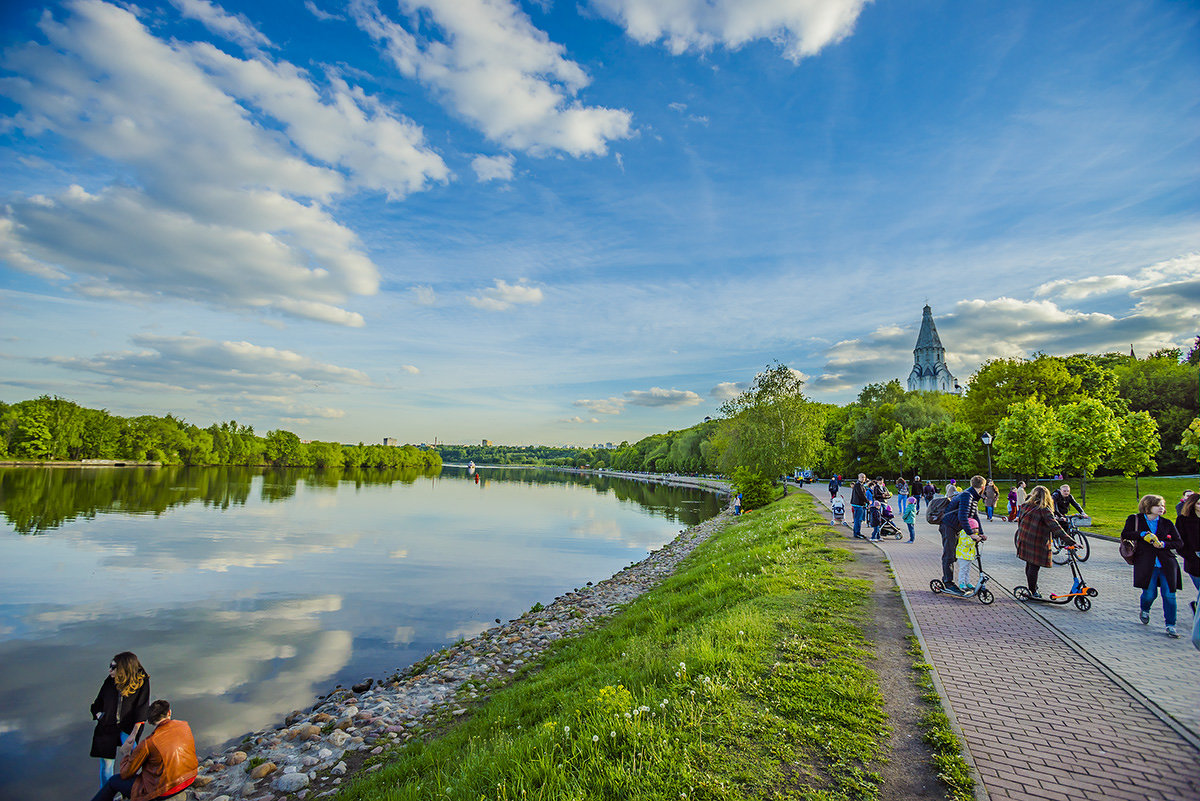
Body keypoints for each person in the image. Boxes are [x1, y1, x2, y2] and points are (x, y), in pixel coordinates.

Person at [90, 699, 198, 801]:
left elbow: (126, 774)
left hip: (166, 790)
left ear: (150, 722)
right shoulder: (184, 725)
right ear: (169, 712)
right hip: (189, 778)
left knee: (113, 781)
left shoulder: (148, 743)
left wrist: (126, 754)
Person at [1121, 494, 1184, 638]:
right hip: (1146, 563)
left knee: (1169, 595)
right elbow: (1125, 534)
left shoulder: (1167, 523)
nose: (1162, 508)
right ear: (1148, 506)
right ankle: (1145, 609)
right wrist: (1141, 534)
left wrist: (1164, 544)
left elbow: (1179, 542)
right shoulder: (1135, 519)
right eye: (1158, 505)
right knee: (1150, 594)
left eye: (1163, 505)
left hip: (1167, 564)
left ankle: (1171, 625)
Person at [91, 652, 150, 788]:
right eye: (110, 666)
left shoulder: (142, 681)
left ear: (124, 668)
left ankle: (132, 790)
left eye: (113, 667)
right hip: (107, 727)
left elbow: (141, 710)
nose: (109, 670)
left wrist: (133, 736)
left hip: (128, 728)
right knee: (106, 763)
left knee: (134, 759)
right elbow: (97, 704)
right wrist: (100, 715)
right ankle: (106, 792)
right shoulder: (110, 681)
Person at [1015, 485, 1066, 599]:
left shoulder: (1025, 506)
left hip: (1024, 539)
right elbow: (1056, 528)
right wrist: (1071, 542)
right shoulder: (1044, 509)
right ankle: (1033, 591)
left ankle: (1032, 588)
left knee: (1029, 564)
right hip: (1037, 542)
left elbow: (1020, 522)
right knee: (1034, 567)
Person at [938, 476, 985, 594]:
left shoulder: (972, 496)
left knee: (953, 554)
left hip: (954, 527)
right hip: (948, 526)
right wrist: (971, 534)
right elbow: (962, 516)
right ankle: (948, 583)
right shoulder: (967, 496)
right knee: (949, 554)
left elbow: (974, 515)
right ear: (983, 487)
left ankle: (957, 581)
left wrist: (981, 533)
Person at [1175, 492, 1200, 612]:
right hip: (1194, 560)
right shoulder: (1183, 520)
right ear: (1193, 505)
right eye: (1199, 504)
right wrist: (1192, 556)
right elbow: (1180, 543)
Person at [957, 517, 987, 591]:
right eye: (973, 529)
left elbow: (976, 538)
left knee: (967, 570)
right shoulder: (964, 533)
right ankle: (961, 583)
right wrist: (975, 539)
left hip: (969, 556)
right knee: (963, 570)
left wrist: (981, 537)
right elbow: (966, 542)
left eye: (977, 528)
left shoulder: (975, 534)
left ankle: (967, 582)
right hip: (962, 555)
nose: (975, 530)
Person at [850, 473, 868, 539]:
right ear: (858, 477)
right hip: (857, 504)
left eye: (864, 477)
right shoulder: (858, 485)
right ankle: (857, 533)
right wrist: (868, 501)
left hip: (859, 504)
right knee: (858, 520)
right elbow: (861, 495)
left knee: (858, 519)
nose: (863, 479)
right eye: (862, 477)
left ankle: (857, 532)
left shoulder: (861, 485)